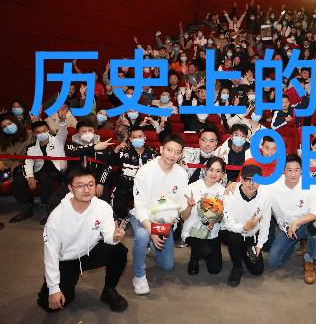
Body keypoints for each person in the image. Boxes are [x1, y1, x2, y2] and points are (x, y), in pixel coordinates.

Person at [37, 167, 128, 313]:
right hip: (66, 260)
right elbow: (50, 254)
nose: (86, 190)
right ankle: (60, 287)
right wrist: (53, 289)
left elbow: (108, 236)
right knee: (51, 304)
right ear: (70, 188)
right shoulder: (57, 217)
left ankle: (109, 291)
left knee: (119, 251)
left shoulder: (103, 207)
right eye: (80, 185)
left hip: (89, 251)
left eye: (91, 185)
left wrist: (114, 237)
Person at [131, 134, 189, 295]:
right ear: (161, 149)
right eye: (169, 150)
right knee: (142, 236)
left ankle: (150, 245)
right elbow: (140, 206)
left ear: (181, 155)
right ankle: (138, 275)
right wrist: (152, 230)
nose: (172, 155)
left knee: (167, 265)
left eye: (177, 152)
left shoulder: (182, 174)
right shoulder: (145, 171)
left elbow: (180, 208)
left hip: (163, 222)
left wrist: (188, 207)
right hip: (143, 219)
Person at [266, 154, 316, 284]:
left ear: (302, 170)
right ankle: (298, 243)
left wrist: (297, 223)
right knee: (273, 263)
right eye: (289, 170)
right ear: (283, 170)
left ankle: (309, 260)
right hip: (287, 229)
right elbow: (253, 185)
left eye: (296, 170)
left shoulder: (310, 184)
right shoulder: (273, 184)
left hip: (306, 225)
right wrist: (234, 184)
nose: (293, 174)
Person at [220, 163, 272, 286]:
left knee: (257, 270)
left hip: (251, 236)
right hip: (232, 233)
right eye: (247, 180)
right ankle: (237, 266)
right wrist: (244, 227)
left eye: (255, 180)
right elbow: (229, 223)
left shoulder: (265, 195)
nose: (251, 184)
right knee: (235, 238)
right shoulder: (230, 193)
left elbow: (266, 222)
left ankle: (243, 250)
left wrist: (259, 245)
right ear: (241, 179)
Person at [181, 157, 226, 276]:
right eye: (211, 169)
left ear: (222, 174)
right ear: (205, 170)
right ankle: (194, 255)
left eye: (218, 171)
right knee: (204, 250)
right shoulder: (192, 187)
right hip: (192, 231)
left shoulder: (223, 191)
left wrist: (214, 221)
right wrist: (189, 207)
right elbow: (183, 217)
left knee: (215, 269)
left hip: (211, 232)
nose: (214, 174)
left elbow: (223, 217)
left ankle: (204, 251)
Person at [19, 118, 67, 225]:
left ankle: (47, 209)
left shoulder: (58, 140)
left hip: (57, 171)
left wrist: (62, 120)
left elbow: (63, 131)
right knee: (19, 181)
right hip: (39, 171)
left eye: (44, 130)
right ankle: (25, 208)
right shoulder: (31, 148)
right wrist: (30, 177)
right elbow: (28, 162)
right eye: (38, 132)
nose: (42, 133)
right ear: (34, 134)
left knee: (45, 178)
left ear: (48, 130)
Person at [108, 126, 157, 220]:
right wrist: (116, 150)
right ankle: (123, 219)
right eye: (134, 137)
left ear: (144, 137)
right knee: (118, 208)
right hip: (125, 186)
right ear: (130, 139)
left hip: (144, 188)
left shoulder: (152, 154)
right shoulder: (124, 151)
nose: (137, 139)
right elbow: (111, 162)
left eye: (140, 136)